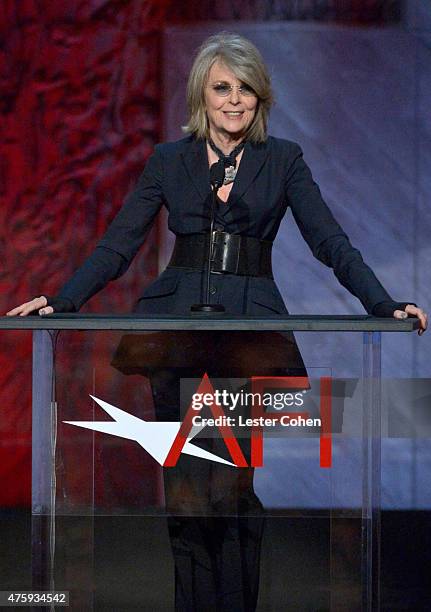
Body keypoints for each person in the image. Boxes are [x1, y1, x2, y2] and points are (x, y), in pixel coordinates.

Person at [6, 32, 427, 611]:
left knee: (231, 486)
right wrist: (61, 300)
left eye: (246, 89)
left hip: (246, 342)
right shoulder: (167, 160)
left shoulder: (282, 160)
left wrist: (383, 303)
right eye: (222, 88)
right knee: (182, 491)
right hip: (175, 337)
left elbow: (330, 240)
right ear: (201, 96)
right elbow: (118, 244)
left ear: (261, 98)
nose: (234, 100)